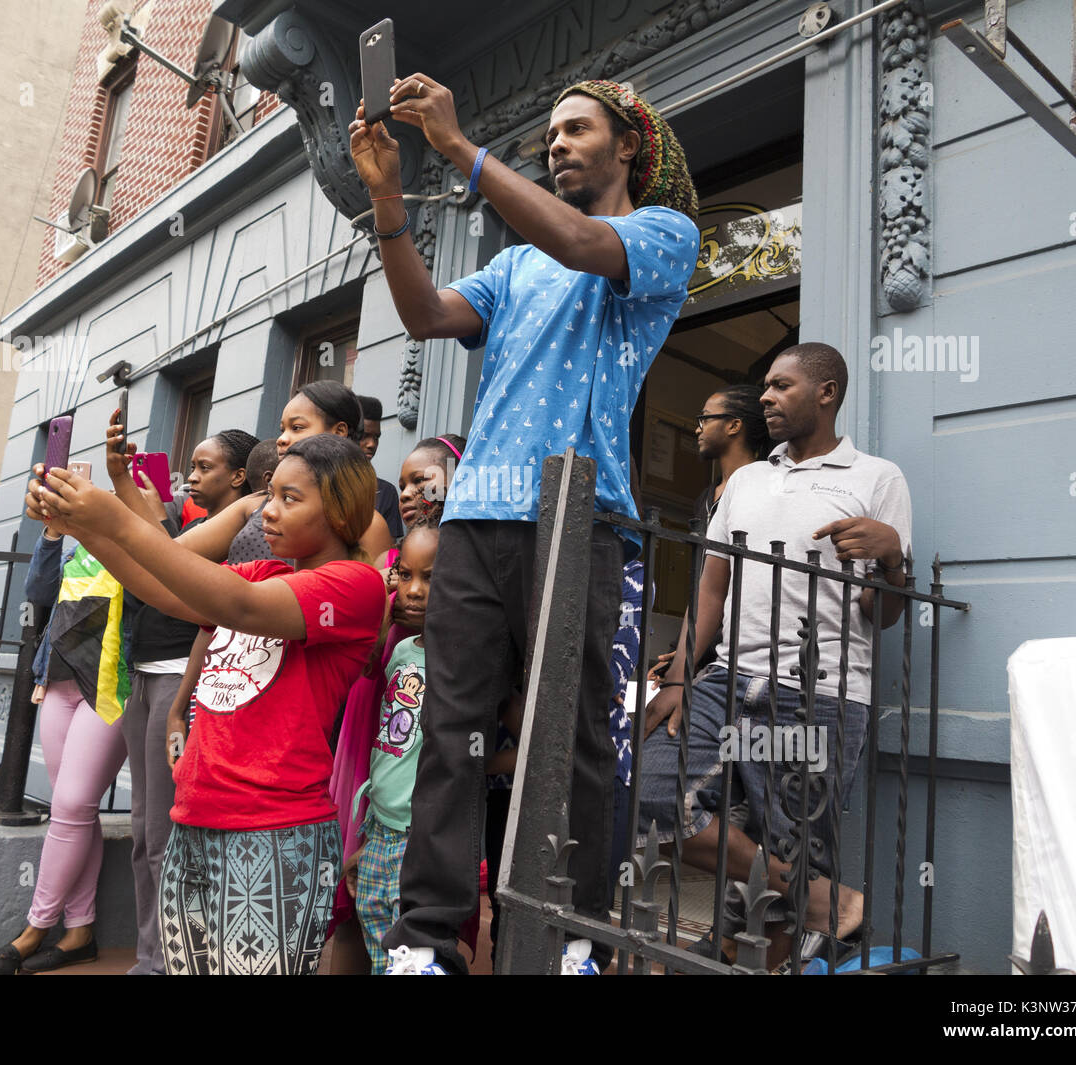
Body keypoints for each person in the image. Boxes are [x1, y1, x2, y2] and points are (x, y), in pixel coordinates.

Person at [349, 74, 698, 974]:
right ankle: (428, 939)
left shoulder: (660, 235)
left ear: (629, 147)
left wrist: (463, 150)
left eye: (578, 130)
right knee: (451, 727)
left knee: (573, 731)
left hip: (580, 518)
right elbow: (425, 314)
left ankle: (578, 931)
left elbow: (581, 241)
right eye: (549, 133)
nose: (558, 142)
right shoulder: (510, 265)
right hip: (476, 514)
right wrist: (390, 195)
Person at [29, 433, 387, 975]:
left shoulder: (353, 585)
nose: (269, 510)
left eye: (291, 499)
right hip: (195, 818)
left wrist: (114, 518)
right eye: (271, 495)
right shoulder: (266, 571)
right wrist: (79, 526)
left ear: (340, 511)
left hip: (273, 833)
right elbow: (162, 588)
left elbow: (237, 605)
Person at [639, 343, 913, 968]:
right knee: (656, 790)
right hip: (728, 677)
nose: (765, 396)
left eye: (781, 385)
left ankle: (788, 925)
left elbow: (885, 614)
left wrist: (892, 557)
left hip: (822, 691)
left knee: (792, 841)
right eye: (764, 385)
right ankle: (825, 901)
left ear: (826, 393)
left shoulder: (877, 479)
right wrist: (681, 674)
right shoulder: (747, 480)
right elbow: (712, 586)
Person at [117, 426, 259, 976]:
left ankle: (166, 961)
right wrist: (118, 482)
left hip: (182, 679)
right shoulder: (188, 521)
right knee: (140, 829)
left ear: (240, 477)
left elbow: (181, 587)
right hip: (143, 677)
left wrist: (181, 703)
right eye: (190, 467)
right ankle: (147, 952)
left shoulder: (238, 533)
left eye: (205, 468)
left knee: (162, 835)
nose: (191, 477)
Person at [324, 433, 466, 973]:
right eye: (401, 482)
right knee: (368, 906)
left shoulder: (458, 570)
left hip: (421, 802)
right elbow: (366, 659)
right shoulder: (393, 562)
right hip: (380, 729)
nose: (407, 492)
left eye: (421, 479)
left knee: (415, 929)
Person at [0, 524, 130, 974]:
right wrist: (51, 535)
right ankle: (79, 931)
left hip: (108, 688)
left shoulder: (141, 545)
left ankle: (36, 926)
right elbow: (38, 591)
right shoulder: (76, 550)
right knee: (74, 811)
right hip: (58, 683)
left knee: (70, 805)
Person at [345, 514, 440, 973]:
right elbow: (364, 666)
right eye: (405, 574)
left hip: (417, 835)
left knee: (413, 952)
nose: (414, 589)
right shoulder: (401, 651)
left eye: (430, 577)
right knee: (377, 937)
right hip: (380, 828)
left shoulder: (459, 662)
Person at [158, 382, 393, 566]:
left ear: (339, 431)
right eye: (282, 429)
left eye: (297, 427)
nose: (282, 438)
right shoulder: (257, 503)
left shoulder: (368, 524)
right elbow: (169, 556)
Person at [650, 383, 772, 686]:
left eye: (705, 418)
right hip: (703, 643)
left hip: (743, 650)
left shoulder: (767, 488)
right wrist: (682, 653)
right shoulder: (705, 497)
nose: (697, 429)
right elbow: (702, 583)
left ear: (734, 425)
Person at [356, 394, 405, 539]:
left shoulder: (386, 492)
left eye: (376, 437)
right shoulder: (324, 482)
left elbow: (387, 555)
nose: (372, 444)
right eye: (364, 435)